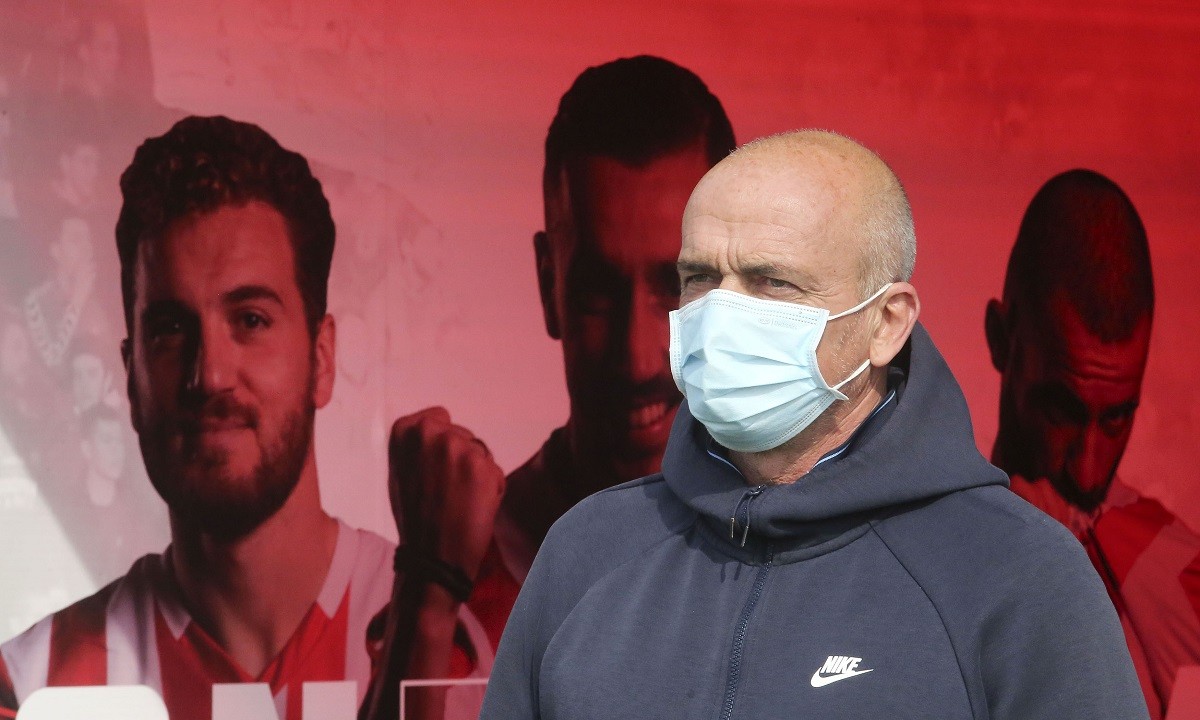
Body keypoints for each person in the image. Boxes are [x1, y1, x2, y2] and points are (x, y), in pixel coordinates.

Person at [480, 131, 1148, 719]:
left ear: (886, 323)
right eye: (700, 277)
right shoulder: (586, 553)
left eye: (772, 282)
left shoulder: (1020, 577)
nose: (722, 314)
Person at [0, 115, 471, 720]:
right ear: (131, 376)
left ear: (322, 359)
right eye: (171, 330)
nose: (210, 374)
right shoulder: (33, 689)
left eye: (250, 319)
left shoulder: (473, 643)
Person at [382, 55, 735, 707]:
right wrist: (429, 594)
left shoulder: (823, 553)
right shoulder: (458, 582)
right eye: (598, 290)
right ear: (549, 284)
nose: (636, 359)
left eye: (677, 287)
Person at [985, 169, 1200, 718]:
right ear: (1001, 340)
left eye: (1116, 419)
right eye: (1062, 410)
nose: (1087, 470)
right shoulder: (931, 559)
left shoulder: (1183, 574)